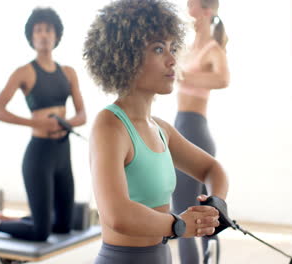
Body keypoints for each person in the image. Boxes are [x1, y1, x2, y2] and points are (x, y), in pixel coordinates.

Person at [83, 0, 229, 263]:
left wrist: (215, 204)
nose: (173, 60)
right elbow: (117, 215)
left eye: (173, 48)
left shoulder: (161, 129)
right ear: (126, 56)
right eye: (159, 49)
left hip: (161, 256)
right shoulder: (109, 126)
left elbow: (213, 170)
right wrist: (179, 224)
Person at [0, 7, 86, 241]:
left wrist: (65, 123)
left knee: (64, 226)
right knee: (41, 232)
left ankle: (8, 219)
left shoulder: (69, 72)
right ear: (32, 37)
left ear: (56, 36)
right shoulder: (23, 72)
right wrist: (35, 122)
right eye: (38, 31)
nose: (44, 35)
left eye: (48, 30)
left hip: (63, 154)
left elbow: (82, 115)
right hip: (39, 155)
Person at [173, 0, 230, 263]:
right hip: (180, 124)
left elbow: (223, 79)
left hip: (195, 128)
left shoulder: (212, 50)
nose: (187, 9)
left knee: (188, 210)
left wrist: (186, 76)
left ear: (207, 11)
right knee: (197, 210)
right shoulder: (188, 48)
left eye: (192, 5)